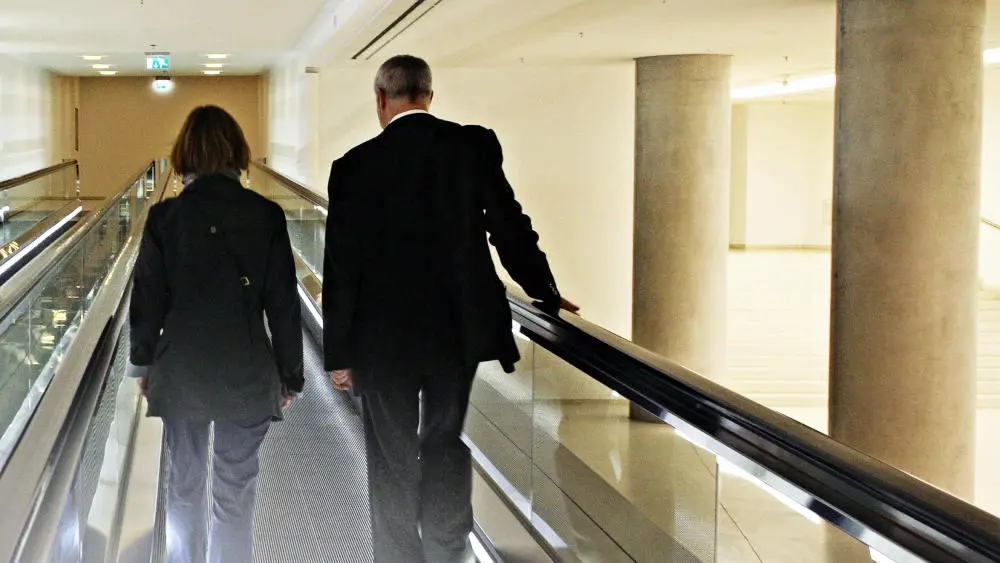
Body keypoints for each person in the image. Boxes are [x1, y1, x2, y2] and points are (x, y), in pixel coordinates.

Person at [323, 55, 578, 563]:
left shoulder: (353, 167)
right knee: (444, 439)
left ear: (380, 100)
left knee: (390, 460)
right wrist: (544, 289)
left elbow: (341, 266)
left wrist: (340, 354)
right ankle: (447, 549)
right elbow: (508, 225)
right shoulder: (472, 147)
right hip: (454, 333)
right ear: (429, 96)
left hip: (381, 342)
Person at [129, 105, 304, 563]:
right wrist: (291, 375)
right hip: (246, 370)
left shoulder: (165, 219)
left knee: (184, 483)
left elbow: (147, 301)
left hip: (181, 369)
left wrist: (144, 364)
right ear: (237, 153)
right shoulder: (266, 216)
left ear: (184, 153)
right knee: (237, 485)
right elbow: (283, 304)